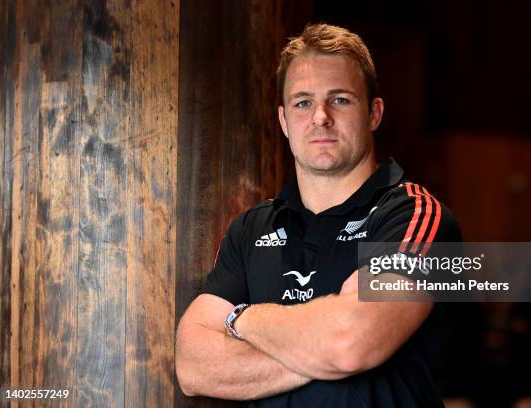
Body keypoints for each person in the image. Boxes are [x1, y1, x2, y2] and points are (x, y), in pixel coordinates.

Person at [175, 23, 461, 407]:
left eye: (340, 99)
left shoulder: (415, 216)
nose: (320, 117)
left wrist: (239, 320)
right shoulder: (251, 228)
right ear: (283, 121)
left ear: (374, 113)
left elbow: (349, 342)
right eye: (303, 102)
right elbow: (193, 367)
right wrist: (321, 347)